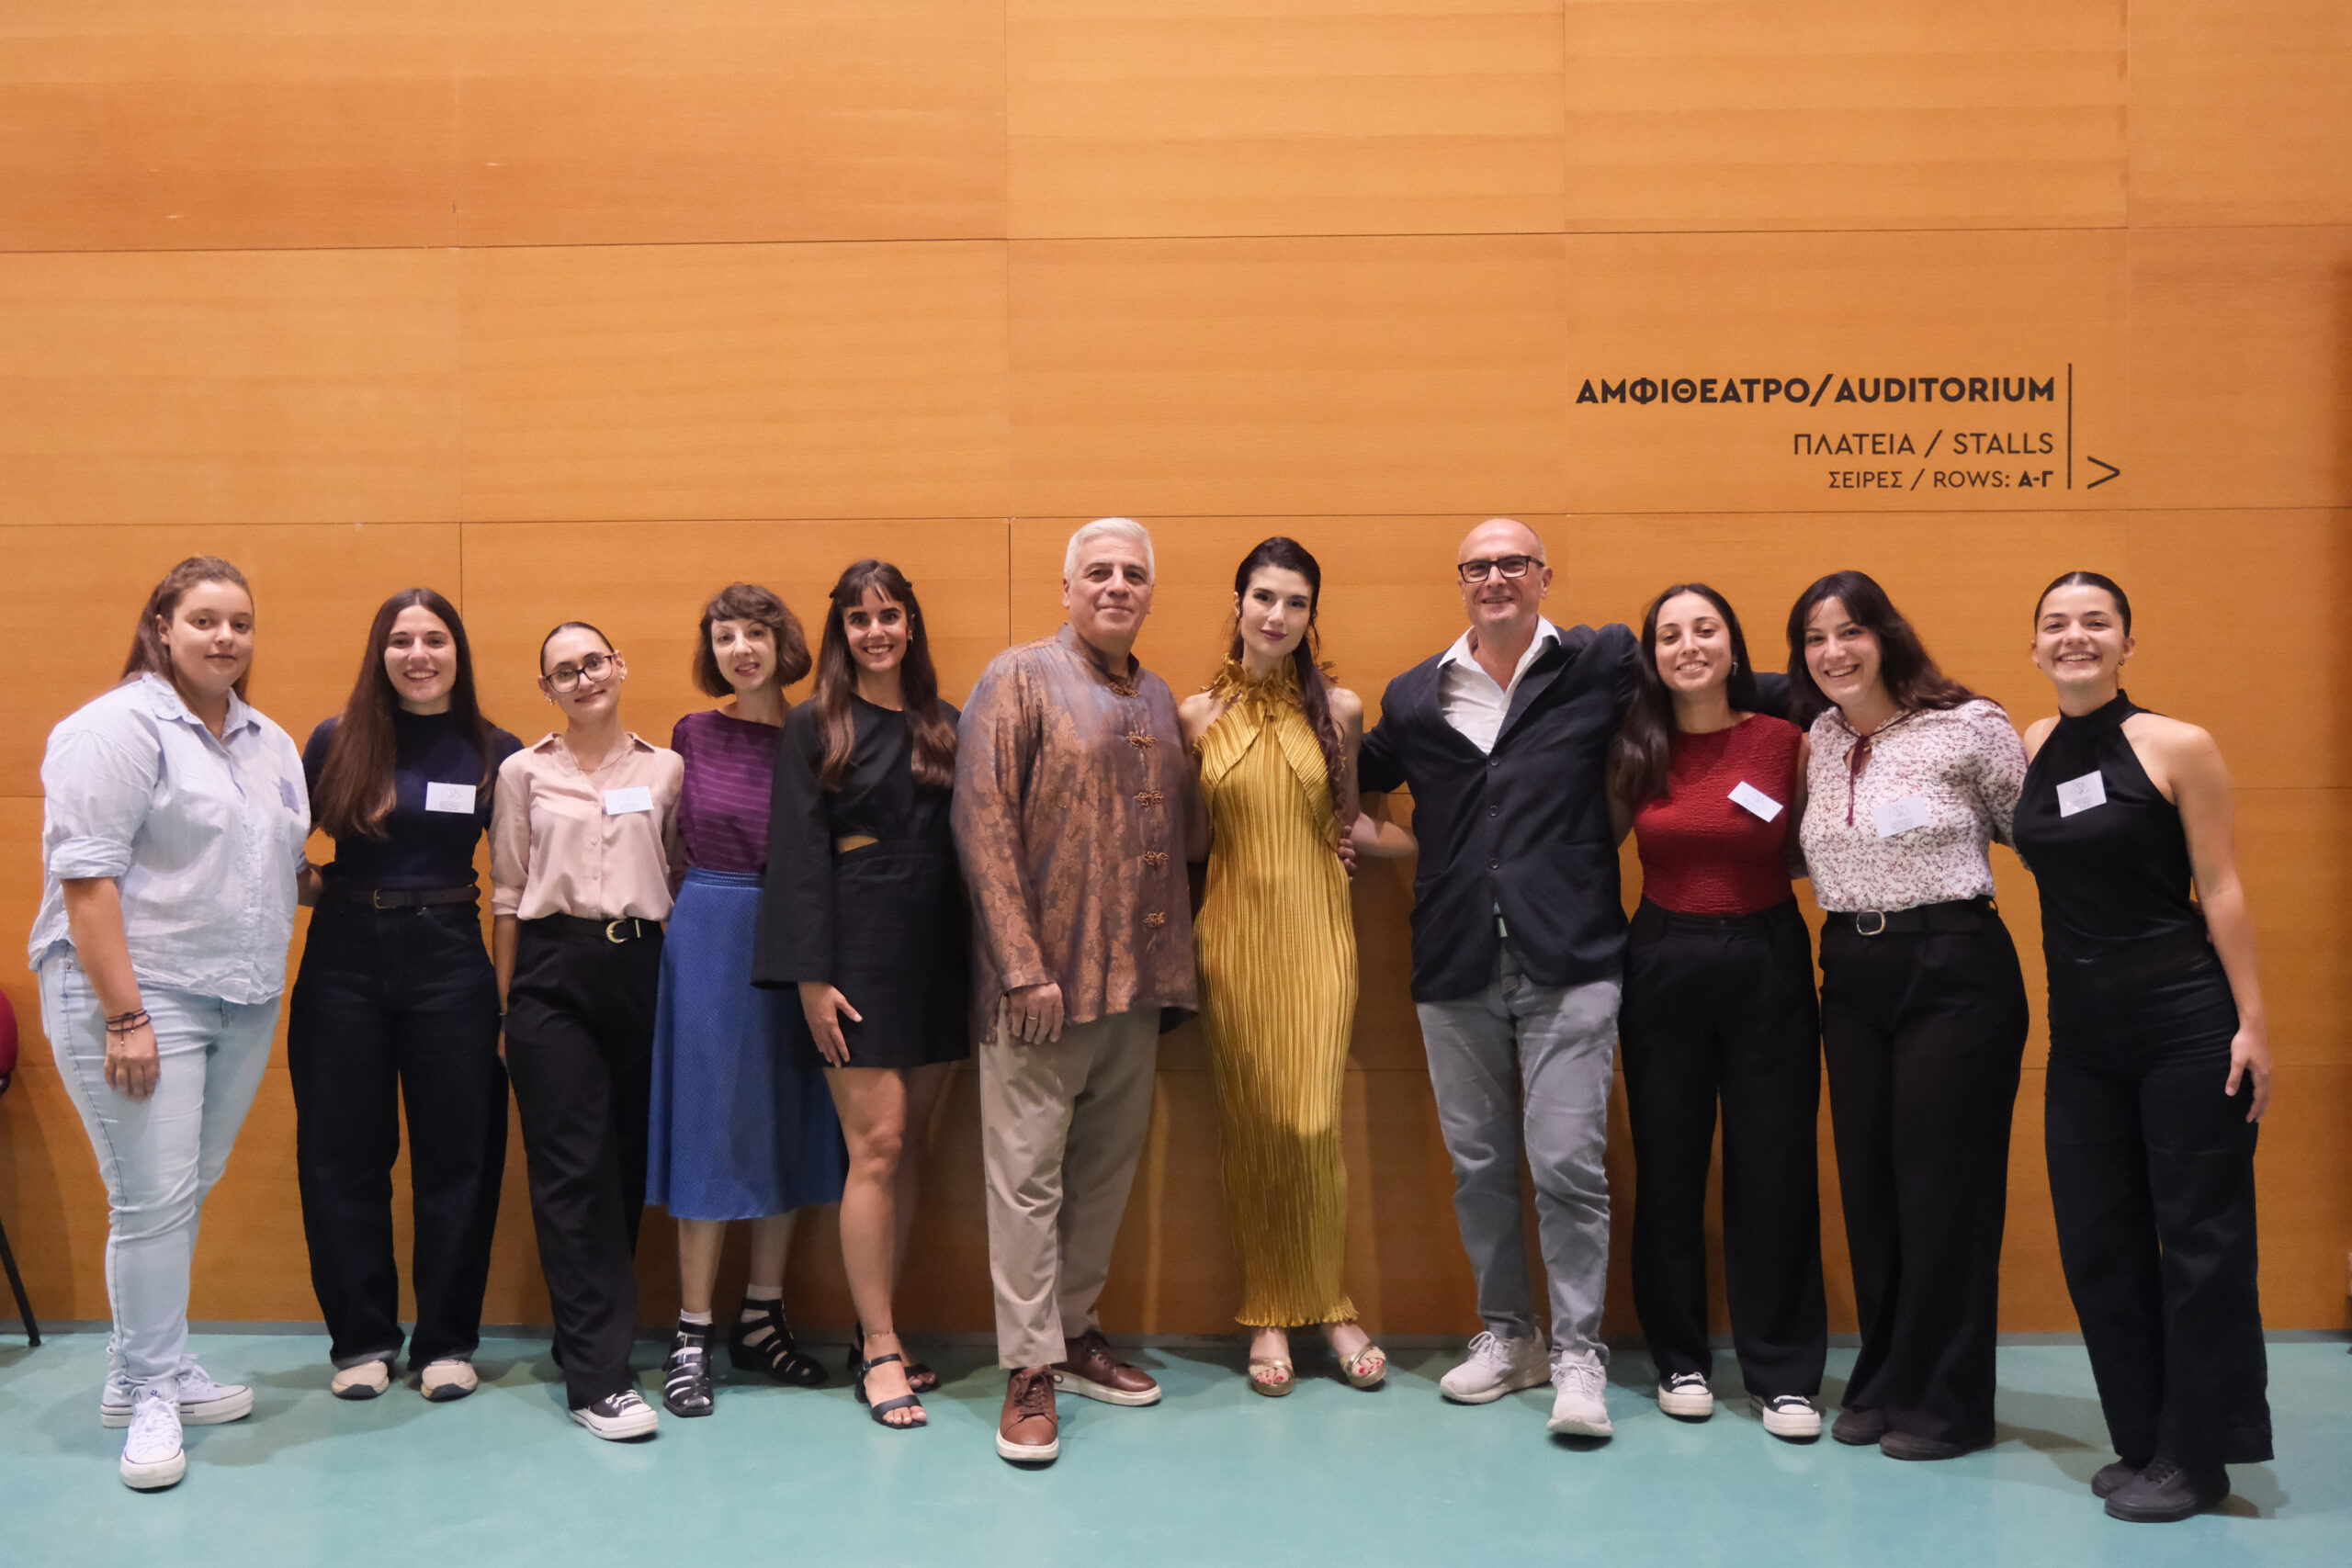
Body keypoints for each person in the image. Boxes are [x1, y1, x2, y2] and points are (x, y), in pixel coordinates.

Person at [1356, 518, 1785, 1439]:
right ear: (1460, 581)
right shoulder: (1417, 695)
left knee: (1564, 1164)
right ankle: (1510, 1336)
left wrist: (1862, 695)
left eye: (1513, 563)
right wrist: (1388, 842)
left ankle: (1578, 1353)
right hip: (1453, 963)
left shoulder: (1599, 663)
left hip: (1574, 958)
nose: (1496, 577)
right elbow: (1355, 775)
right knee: (1479, 1167)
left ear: (1544, 576)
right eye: (1478, 566)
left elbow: (1716, 681)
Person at [31, 557, 308, 1490]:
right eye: (205, 620)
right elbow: (87, 880)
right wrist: (125, 1017)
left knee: (181, 1191)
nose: (226, 637)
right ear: (161, 626)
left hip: (243, 995)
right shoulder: (113, 728)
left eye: (241, 622)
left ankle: (141, 1365)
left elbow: (282, 869)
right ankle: (150, 1391)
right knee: (149, 1198)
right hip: (140, 997)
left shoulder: (270, 742)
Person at [2015, 570, 2273, 1522]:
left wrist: (2252, 1023)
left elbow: (2222, 886)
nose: (2074, 636)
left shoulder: (2177, 744)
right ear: (2033, 647)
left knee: (2201, 1244)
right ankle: (2145, 1440)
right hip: (2084, 1039)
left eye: (2096, 621)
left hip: (2184, 1023)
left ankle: (2197, 1457)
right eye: (2055, 623)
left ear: (2128, 643)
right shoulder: (2033, 743)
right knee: (2099, 1242)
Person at [954, 517, 1196, 1465]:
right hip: (1038, 990)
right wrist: (1022, 965)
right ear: (1067, 588)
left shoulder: (1160, 695)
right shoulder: (1016, 677)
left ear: (1149, 593)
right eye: (1098, 571)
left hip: (1135, 987)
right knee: (1025, 1182)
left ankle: (1075, 1330)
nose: (1116, 585)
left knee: (1102, 1175)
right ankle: (1028, 1367)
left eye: (1133, 573)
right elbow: (981, 824)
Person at [1789, 570, 2029, 1461]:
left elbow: (2040, 835)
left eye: (1849, 631)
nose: (1833, 652)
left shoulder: (1969, 725)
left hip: (1953, 967)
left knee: (1943, 1192)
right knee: (1872, 1188)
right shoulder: (1818, 736)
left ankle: (1948, 1403)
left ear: (1886, 634)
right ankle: (1886, 1378)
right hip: (1852, 967)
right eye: (1815, 638)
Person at [1176, 538, 1411, 1397]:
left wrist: (1447, 844)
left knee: (1312, 1125)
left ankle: (1329, 1302)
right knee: (1255, 1127)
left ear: (1312, 615)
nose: (1277, 615)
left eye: (1296, 602)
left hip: (1319, 934)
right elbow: (1195, 842)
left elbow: (1350, 824)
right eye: (1264, 597)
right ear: (1238, 602)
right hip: (1233, 938)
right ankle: (1268, 1312)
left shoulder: (1340, 708)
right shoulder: (1194, 715)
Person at [1606, 583, 1826, 1441]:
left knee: (1775, 1166)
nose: (1689, 645)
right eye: (1670, 634)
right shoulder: (1635, 745)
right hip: (1663, 960)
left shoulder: (1783, 740)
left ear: (1734, 646)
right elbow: (1595, 842)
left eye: (1706, 629)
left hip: (1768, 957)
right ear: (1652, 656)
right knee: (1669, 1168)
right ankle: (1680, 1358)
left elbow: (1808, 847)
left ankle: (1784, 1372)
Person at [289, 589, 521, 1403]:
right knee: (341, 1153)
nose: (418, 654)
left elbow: (517, 877)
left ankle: (446, 1342)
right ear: (379, 654)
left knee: (458, 1155)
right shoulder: (335, 740)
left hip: (450, 957)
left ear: (458, 651)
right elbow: (281, 846)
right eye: (400, 640)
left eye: (434, 638)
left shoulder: (495, 749)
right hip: (344, 957)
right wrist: (315, 887)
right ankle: (362, 1340)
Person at [759, 560, 968, 1430]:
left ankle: (872, 1327)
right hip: (855, 948)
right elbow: (796, 855)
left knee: (910, 1145)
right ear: (841, 631)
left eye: (888, 616)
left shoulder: (947, 722)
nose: (875, 631)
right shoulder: (814, 723)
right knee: (875, 1145)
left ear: (910, 624)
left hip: (940, 949)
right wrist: (811, 977)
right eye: (858, 618)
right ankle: (880, 1348)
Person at [649, 584, 843, 1419]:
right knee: (707, 1126)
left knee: (786, 1121)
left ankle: (763, 1316)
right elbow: (665, 845)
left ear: (782, 642)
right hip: (710, 932)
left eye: (756, 633)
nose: (741, 649)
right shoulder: (693, 733)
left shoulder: (819, 730)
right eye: (725, 636)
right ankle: (691, 1330)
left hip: (796, 934)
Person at [491, 621, 684, 1440]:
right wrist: (507, 1009)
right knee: (571, 1169)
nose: (583, 678)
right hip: (551, 971)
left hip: (642, 968)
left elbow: (677, 870)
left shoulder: (666, 768)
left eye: (594, 662)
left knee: (625, 1164)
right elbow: (507, 893)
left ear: (619, 666)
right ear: (547, 689)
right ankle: (598, 1378)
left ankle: (589, 1336)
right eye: (564, 671)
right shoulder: (523, 771)